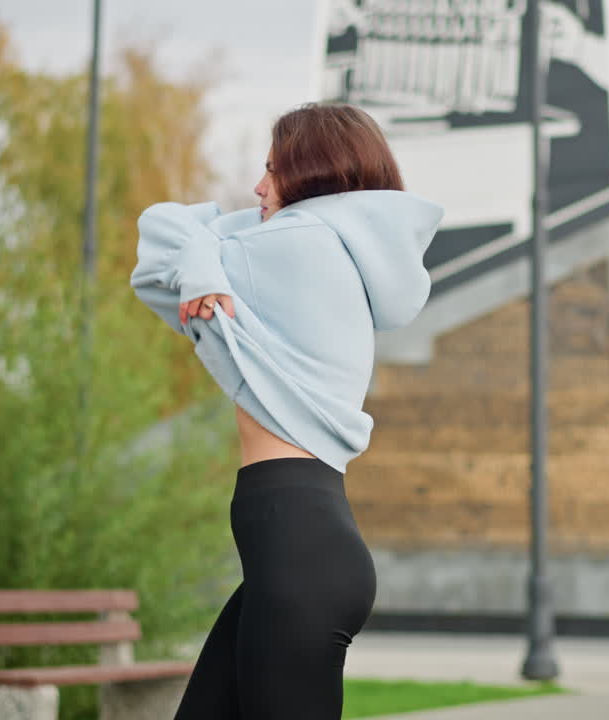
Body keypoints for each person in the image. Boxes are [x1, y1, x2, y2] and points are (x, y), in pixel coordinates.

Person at [130, 102, 444, 719]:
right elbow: (165, 277)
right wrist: (201, 278)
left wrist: (199, 267)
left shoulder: (288, 248)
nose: (258, 186)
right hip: (305, 550)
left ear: (311, 172)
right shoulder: (327, 257)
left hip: (296, 557)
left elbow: (158, 238)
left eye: (273, 169)